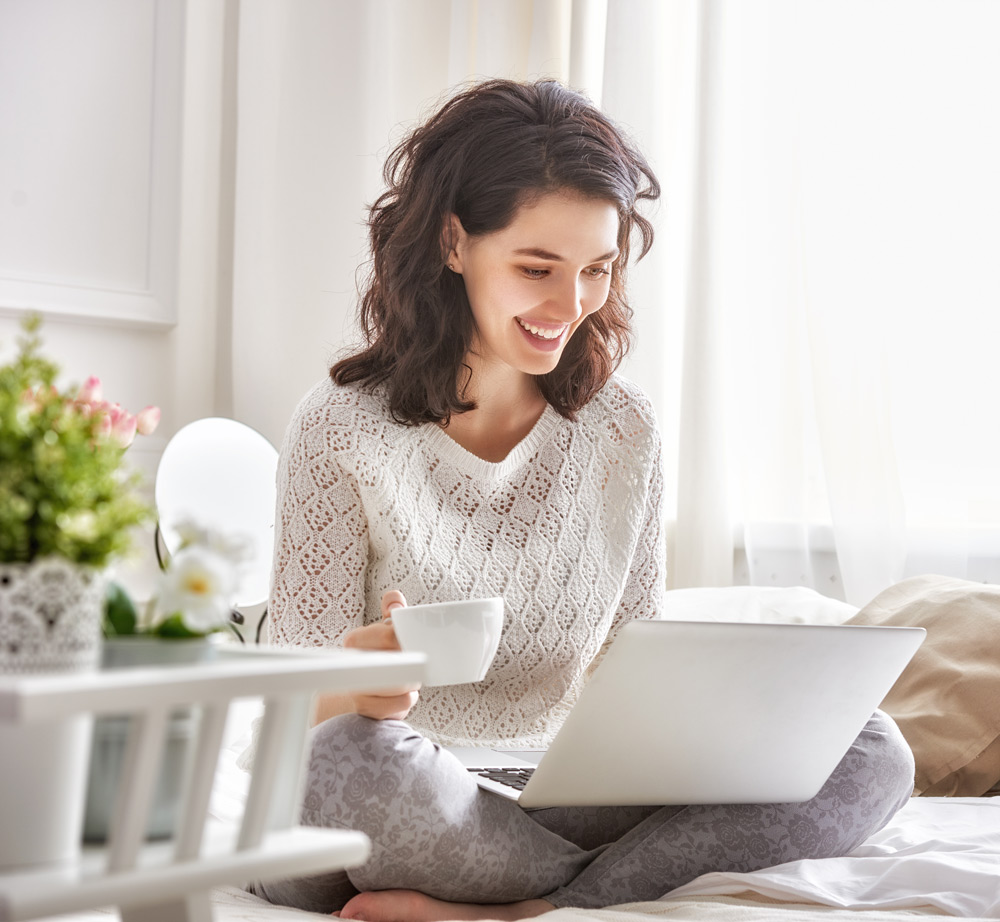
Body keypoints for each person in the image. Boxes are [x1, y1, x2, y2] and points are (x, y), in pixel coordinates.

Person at [249, 79, 914, 921]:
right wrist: (365, 684)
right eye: (537, 269)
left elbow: (627, 671)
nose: (571, 307)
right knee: (348, 761)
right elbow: (295, 712)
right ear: (454, 242)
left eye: (597, 271)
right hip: (383, 793)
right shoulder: (340, 427)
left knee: (871, 746)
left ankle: (520, 912)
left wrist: (715, 721)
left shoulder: (623, 431)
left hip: (550, 794)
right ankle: (599, 887)